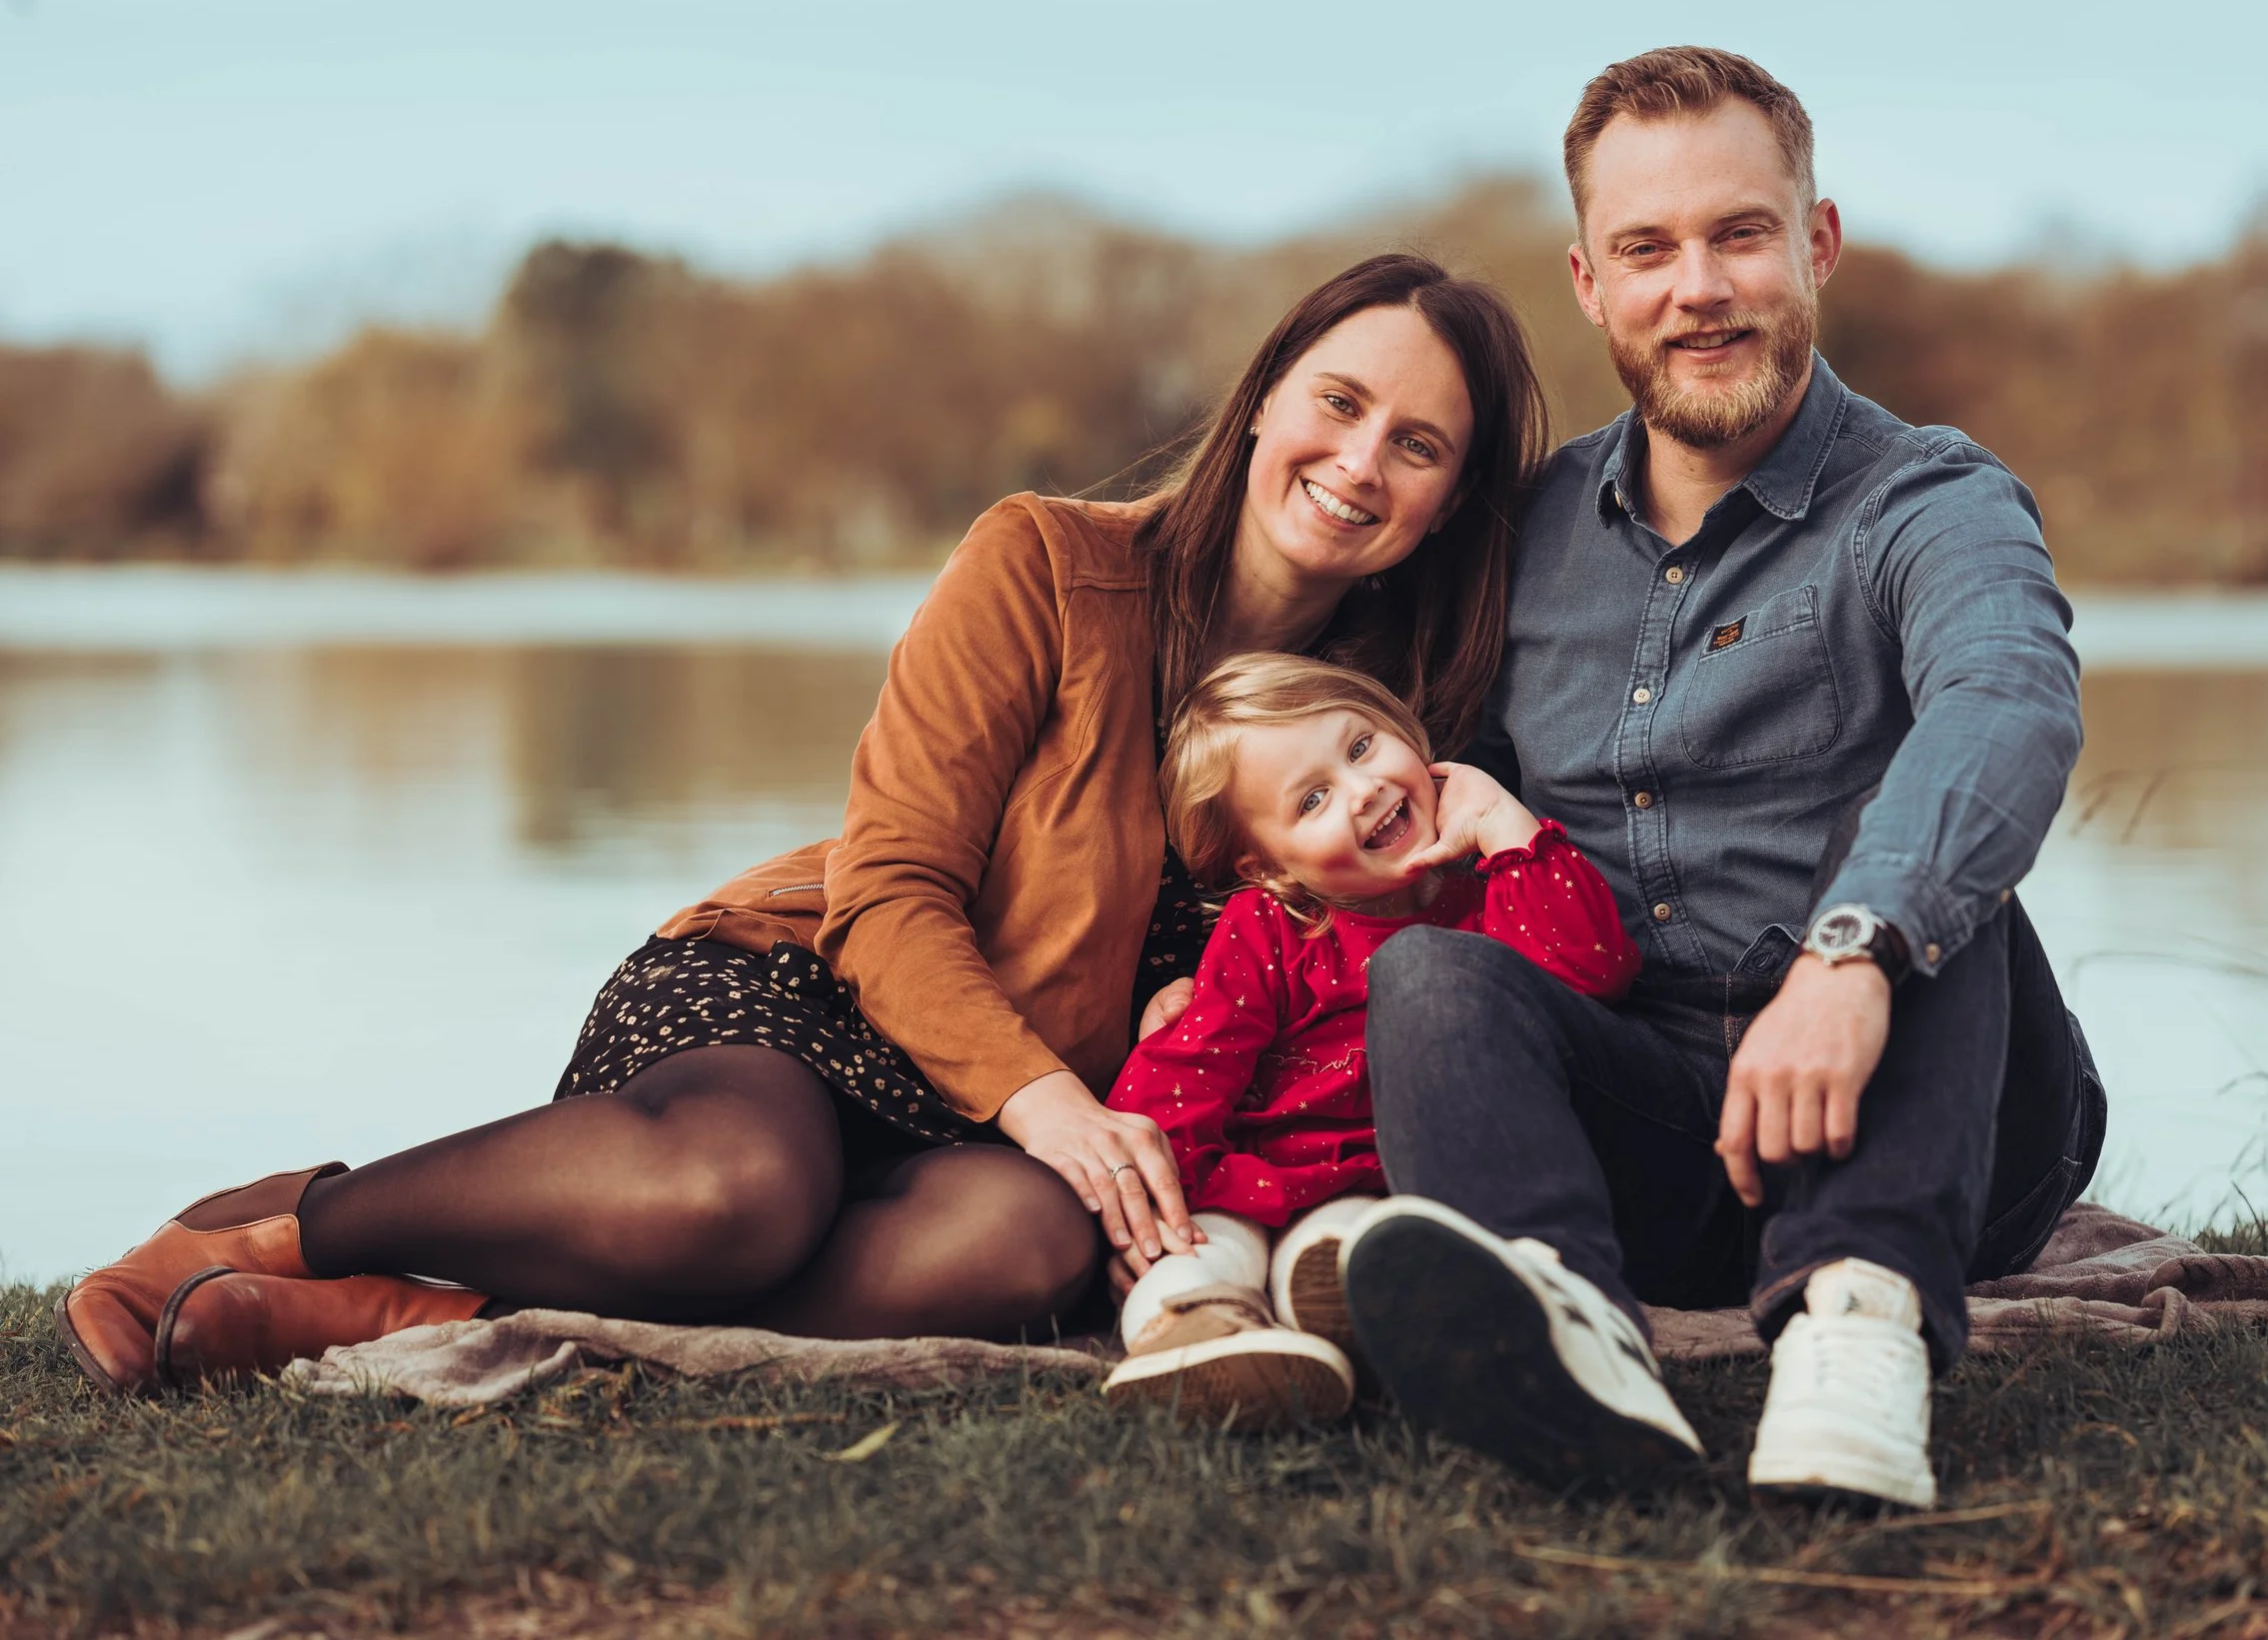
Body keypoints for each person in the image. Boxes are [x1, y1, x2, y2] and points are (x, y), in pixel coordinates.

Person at [55, 252, 1551, 1395]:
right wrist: (1052, 1104)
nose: (1361, 461)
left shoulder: (1397, 731)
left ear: (1448, 498)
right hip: (812, 996)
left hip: (1011, 1134)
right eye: (1341, 402)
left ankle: (449, 1314)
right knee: (739, 1189)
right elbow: (892, 886)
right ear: (1271, 391)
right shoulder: (1048, 563)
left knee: (1027, 1252)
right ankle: (280, 1230)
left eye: (1419, 445)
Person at [1322, 48, 2107, 1507]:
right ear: (1587, 281)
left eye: (1740, 234)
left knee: (1917, 851)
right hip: (1662, 1122)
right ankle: (1570, 1328)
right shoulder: (1526, 528)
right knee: (1431, 974)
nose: (1700, 287)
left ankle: (1857, 1325)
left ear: (1815, 244)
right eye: (1648, 248)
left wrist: (1854, 948)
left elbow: (2007, 703)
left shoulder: (1931, 497)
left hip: (1941, 1108)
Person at [1093, 654, 1646, 1430]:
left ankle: (1341, 1321)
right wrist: (1153, 1212)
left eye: (1359, 747)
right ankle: (1200, 1336)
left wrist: (1505, 824)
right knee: (1203, 1254)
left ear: (1396, 723)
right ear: (1266, 864)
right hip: (1253, 1179)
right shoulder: (1272, 927)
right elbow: (1195, 1066)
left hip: (1389, 1189)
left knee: (1350, 1249)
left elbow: (1593, 972)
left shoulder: (1492, 890)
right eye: (1312, 799)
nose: (1365, 790)